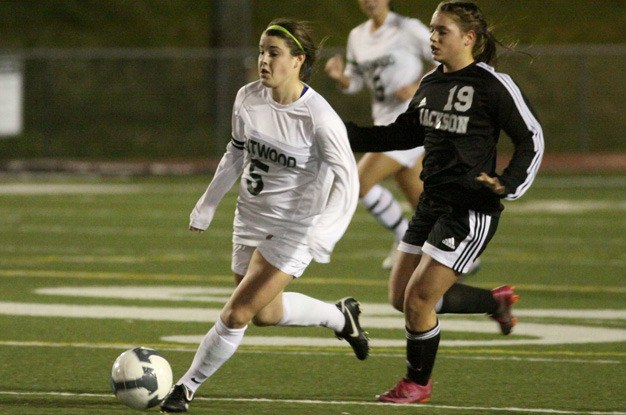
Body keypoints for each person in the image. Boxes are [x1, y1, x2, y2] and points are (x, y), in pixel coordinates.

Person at [160, 18, 369, 413]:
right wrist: (207, 205)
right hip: (250, 218)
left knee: (237, 311)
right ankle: (340, 317)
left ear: (297, 61)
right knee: (265, 314)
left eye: (274, 53)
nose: (264, 60)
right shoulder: (248, 97)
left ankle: (185, 387)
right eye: (261, 51)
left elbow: (348, 180)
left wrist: (326, 231)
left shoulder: (319, 119)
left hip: (295, 229)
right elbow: (236, 152)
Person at [345, 1, 544, 404]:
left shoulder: (492, 84)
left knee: (420, 300)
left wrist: (509, 183)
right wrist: (343, 133)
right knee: (401, 297)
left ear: (468, 39)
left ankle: (417, 383)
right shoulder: (432, 83)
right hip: (431, 204)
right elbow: (403, 135)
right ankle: (495, 300)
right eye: (432, 30)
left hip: (469, 211)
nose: (433, 38)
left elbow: (531, 137)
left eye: (442, 31)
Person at [324, 0, 436, 270]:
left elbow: (448, 60)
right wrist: (341, 78)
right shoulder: (357, 36)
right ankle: (451, 248)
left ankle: (402, 237)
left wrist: (419, 86)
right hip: (384, 120)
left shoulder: (408, 28)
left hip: (412, 121)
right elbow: (356, 81)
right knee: (419, 196)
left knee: (357, 181)